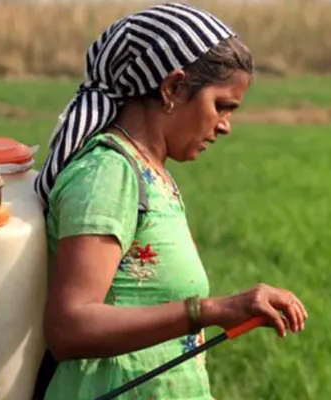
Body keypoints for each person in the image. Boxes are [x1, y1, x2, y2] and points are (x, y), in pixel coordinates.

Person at [30, 3, 308, 400]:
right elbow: (70, 327)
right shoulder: (109, 173)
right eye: (222, 105)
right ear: (173, 87)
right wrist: (211, 311)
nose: (226, 125)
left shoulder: (151, 172)